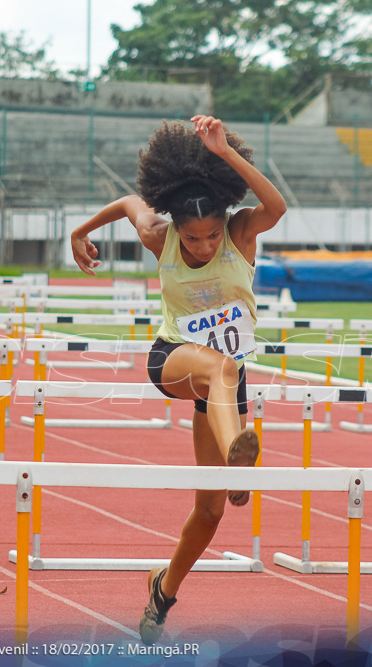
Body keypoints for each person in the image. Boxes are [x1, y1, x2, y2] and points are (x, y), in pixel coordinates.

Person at [70, 115, 286, 645]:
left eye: (211, 235)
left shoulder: (240, 233)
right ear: (175, 227)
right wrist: (80, 232)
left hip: (222, 394)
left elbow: (276, 208)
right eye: (193, 239)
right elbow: (127, 202)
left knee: (209, 512)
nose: (204, 247)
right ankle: (241, 452)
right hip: (172, 359)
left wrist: (226, 153)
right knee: (223, 366)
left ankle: (162, 590)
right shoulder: (159, 237)